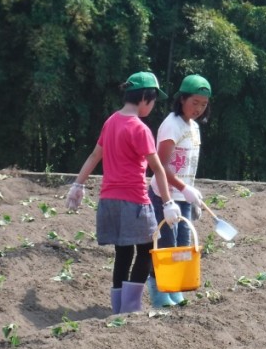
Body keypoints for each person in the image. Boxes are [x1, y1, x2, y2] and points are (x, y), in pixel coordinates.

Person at [65, 71, 181, 314]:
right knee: (147, 250)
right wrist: (168, 202)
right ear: (145, 98)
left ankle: (118, 308)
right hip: (134, 201)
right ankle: (130, 308)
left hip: (109, 201)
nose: (152, 106)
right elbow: (158, 168)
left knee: (123, 253)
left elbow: (94, 155)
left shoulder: (111, 122)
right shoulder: (139, 129)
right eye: (153, 101)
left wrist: (78, 184)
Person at [146, 74, 211, 307]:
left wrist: (191, 194)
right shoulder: (171, 125)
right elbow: (160, 166)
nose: (199, 109)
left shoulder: (194, 127)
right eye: (195, 102)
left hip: (183, 197)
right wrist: (181, 190)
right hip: (164, 196)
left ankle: (174, 289)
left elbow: (187, 166)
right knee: (166, 246)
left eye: (203, 104)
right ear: (182, 99)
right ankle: (159, 293)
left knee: (182, 245)